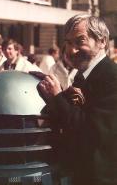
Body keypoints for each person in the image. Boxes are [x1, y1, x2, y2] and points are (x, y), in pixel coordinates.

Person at [37, 14, 117, 185]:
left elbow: (93, 133)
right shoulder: (83, 77)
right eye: (68, 42)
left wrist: (58, 97)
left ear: (102, 41)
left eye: (80, 41)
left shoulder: (112, 78)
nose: (71, 50)